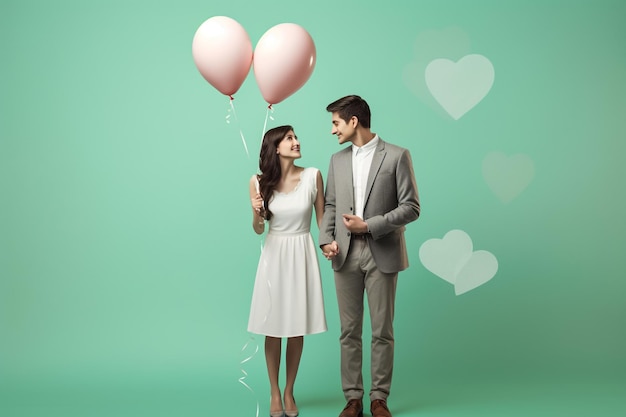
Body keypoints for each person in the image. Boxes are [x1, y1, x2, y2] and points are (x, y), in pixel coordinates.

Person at [319, 95, 420, 417]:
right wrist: (326, 240)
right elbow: (331, 205)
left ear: (353, 121)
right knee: (348, 332)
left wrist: (370, 225)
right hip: (344, 255)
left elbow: (411, 207)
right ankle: (352, 398)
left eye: (336, 122)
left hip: (383, 251)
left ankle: (379, 398)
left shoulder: (397, 156)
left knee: (382, 331)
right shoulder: (336, 160)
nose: (332, 130)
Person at [248, 125, 328, 417]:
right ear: (276, 148)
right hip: (274, 255)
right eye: (289, 139)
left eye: (296, 137)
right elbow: (258, 230)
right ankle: (274, 392)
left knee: (296, 327)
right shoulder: (257, 183)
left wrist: (330, 247)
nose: (296, 142)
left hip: (302, 253)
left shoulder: (313, 176)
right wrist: (256, 212)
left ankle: (290, 390)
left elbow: (323, 224)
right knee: (273, 328)